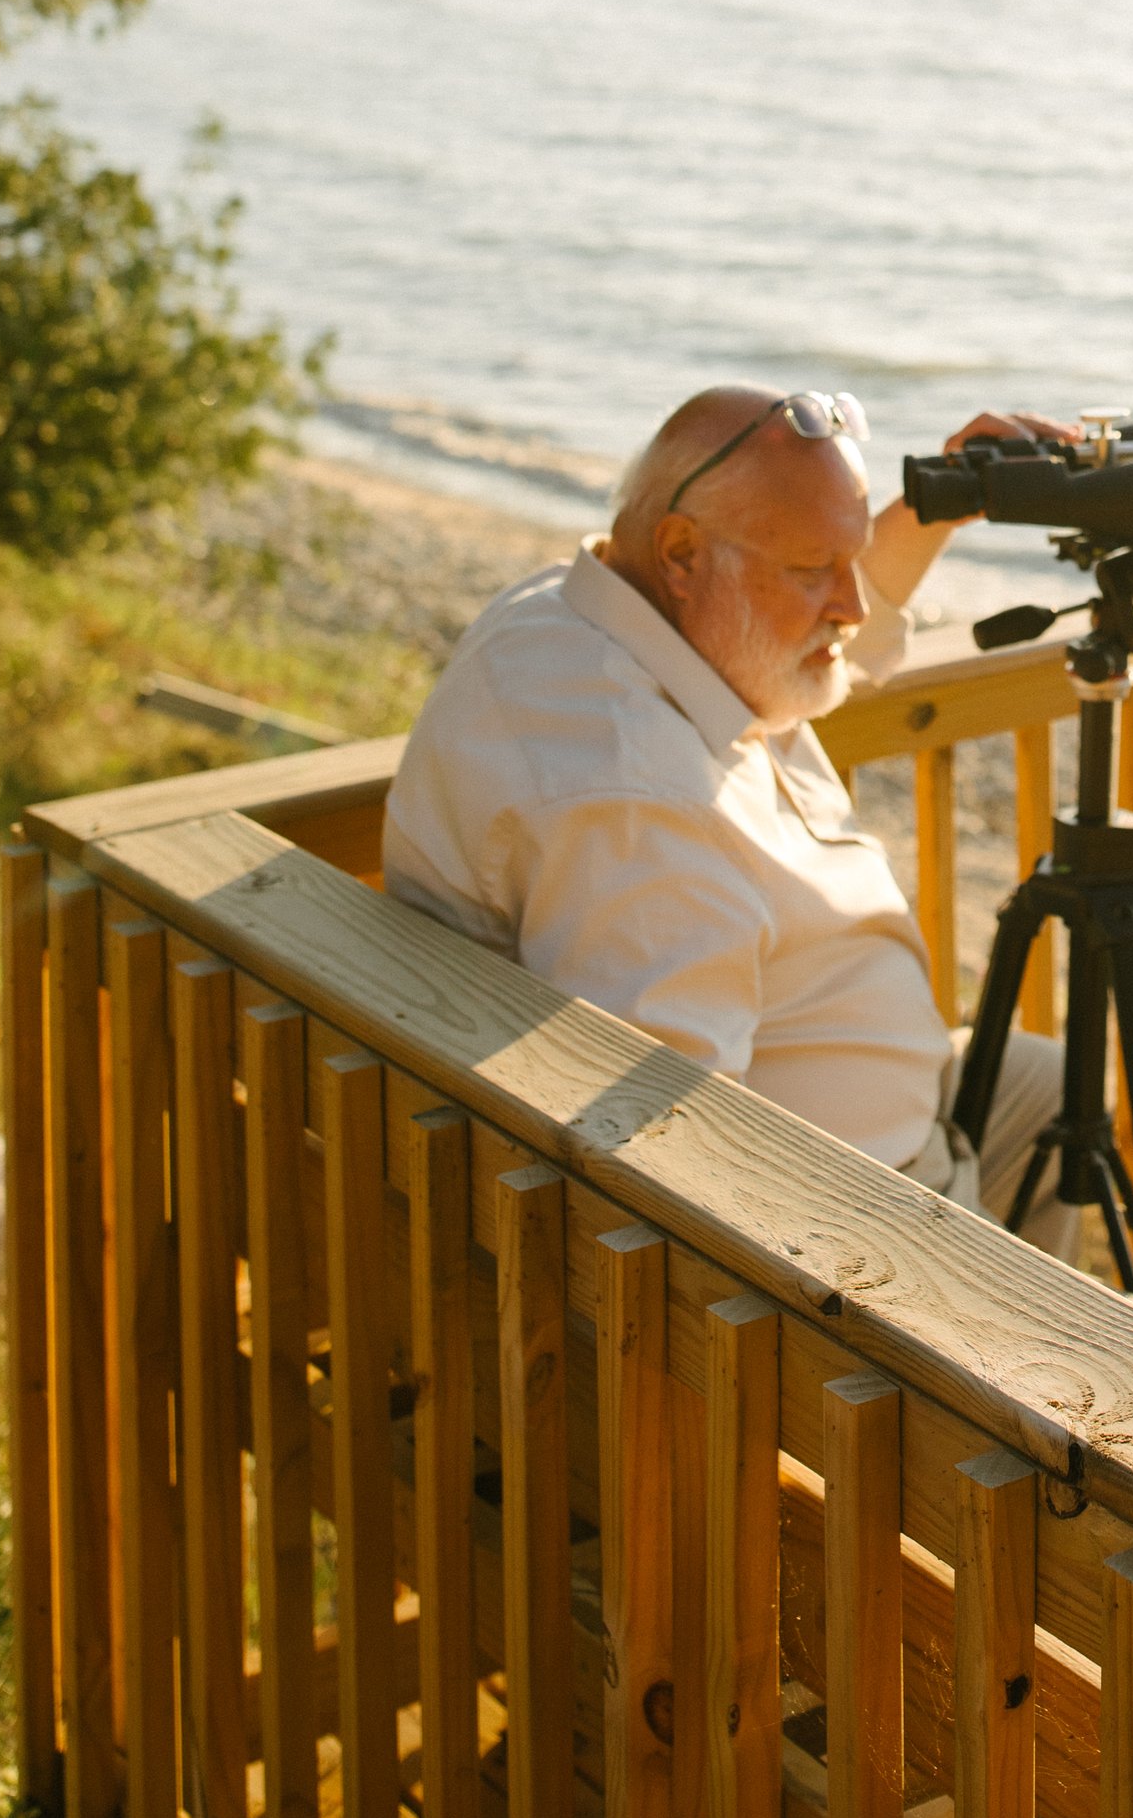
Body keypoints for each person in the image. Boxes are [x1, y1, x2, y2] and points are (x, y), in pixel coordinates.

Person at [383, 380, 1091, 1256]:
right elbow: (674, 1176)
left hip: (889, 1116)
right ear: (681, 554)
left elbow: (834, 619)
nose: (853, 604)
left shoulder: (597, 612)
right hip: (856, 1231)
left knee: (1054, 1085)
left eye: (851, 556)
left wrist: (944, 504)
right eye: (811, 571)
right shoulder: (635, 809)